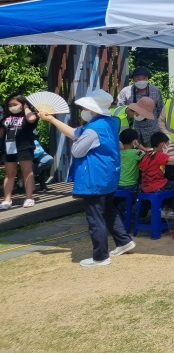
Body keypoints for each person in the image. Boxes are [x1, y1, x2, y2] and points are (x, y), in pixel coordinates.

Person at [40, 90, 135, 266]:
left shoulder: (93, 129)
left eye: (85, 107)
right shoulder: (109, 122)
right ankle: (124, 241)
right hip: (108, 175)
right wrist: (52, 119)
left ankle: (101, 256)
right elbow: (75, 132)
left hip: (94, 177)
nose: (83, 110)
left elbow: (77, 150)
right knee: (108, 210)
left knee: (95, 216)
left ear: (92, 109)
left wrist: (76, 143)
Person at [1, 95, 39, 209]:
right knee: (10, 173)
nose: (12, 107)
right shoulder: (6, 117)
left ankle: (29, 197)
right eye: (10, 105)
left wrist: (26, 107)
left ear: (22, 104)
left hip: (24, 147)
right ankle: (7, 200)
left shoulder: (28, 115)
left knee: (27, 171)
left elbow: (32, 119)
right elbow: (1, 132)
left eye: (15, 104)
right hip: (8, 148)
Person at [117, 67, 164, 148]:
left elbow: (160, 110)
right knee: (134, 154)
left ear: (147, 79)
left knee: (152, 153)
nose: (141, 80)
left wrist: (161, 129)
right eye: (138, 78)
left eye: (144, 78)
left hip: (152, 129)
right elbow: (120, 109)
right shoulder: (126, 91)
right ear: (133, 79)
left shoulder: (155, 90)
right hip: (133, 130)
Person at [138, 132, 174, 204]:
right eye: (167, 145)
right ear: (162, 145)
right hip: (158, 185)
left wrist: (172, 149)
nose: (167, 147)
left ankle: (166, 207)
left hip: (145, 186)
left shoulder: (148, 154)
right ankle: (171, 208)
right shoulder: (160, 155)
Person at [115, 128, 143, 220]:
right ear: (134, 141)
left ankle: (121, 208)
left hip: (117, 185)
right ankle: (125, 209)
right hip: (131, 186)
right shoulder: (136, 153)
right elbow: (149, 154)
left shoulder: (118, 153)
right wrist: (139, 146)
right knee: (144, 189)